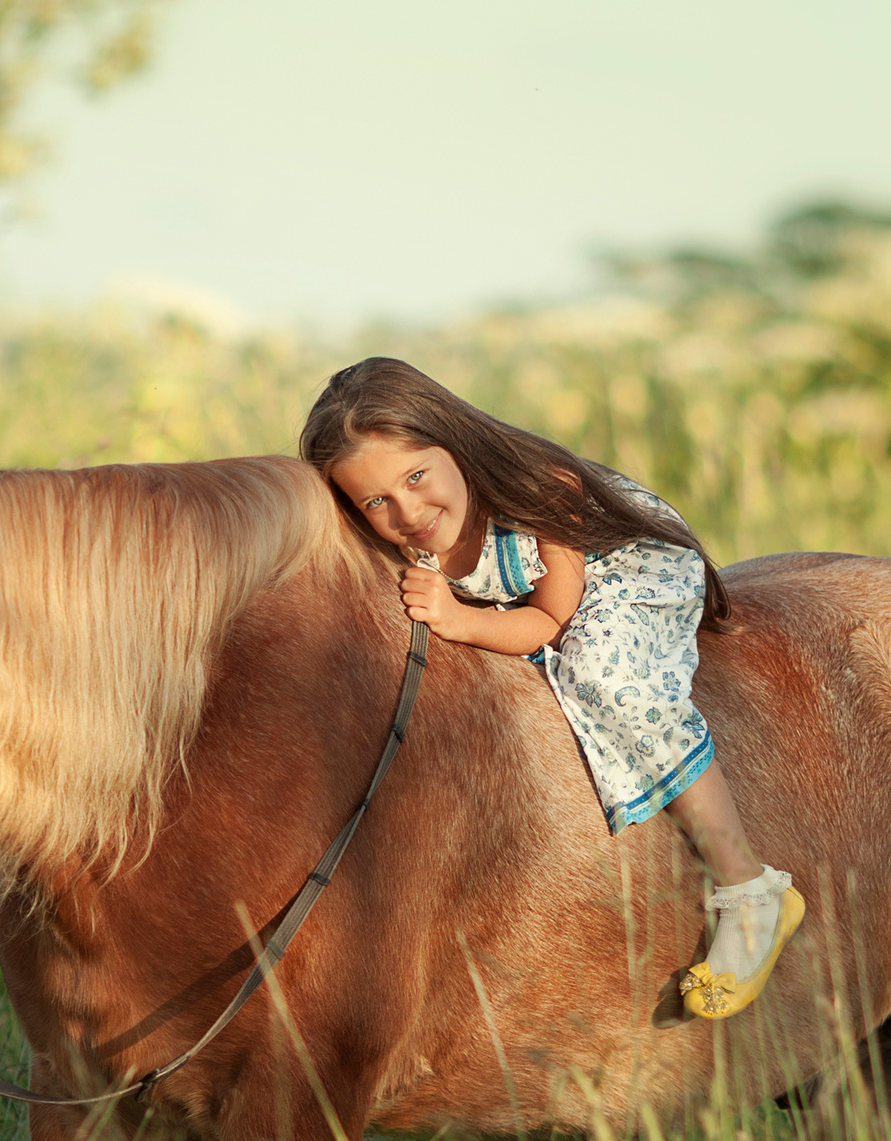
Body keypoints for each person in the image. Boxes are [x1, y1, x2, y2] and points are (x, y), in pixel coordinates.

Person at [300, 356, 802, 1020]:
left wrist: (461, 619)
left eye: (416, 476)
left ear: (452, 440)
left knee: (603, 675)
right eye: (376, 500)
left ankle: (748, 888)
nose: (409, 510)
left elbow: (551, 620)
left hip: (619, 567)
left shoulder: (541, 491)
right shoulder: (400, 539)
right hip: (530, 603)